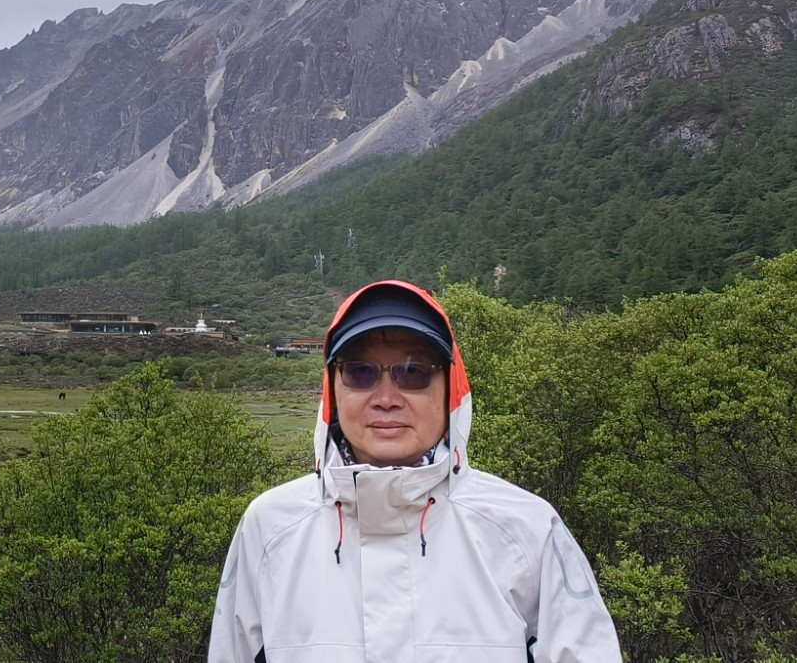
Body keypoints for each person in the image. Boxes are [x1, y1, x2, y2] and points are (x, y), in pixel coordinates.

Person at [208, 280, 621, 662]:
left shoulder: (526, 531)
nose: (386, 398)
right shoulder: (270, 529)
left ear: (450, 389)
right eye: (360, 371)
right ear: (332, 387)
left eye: (413, 372)